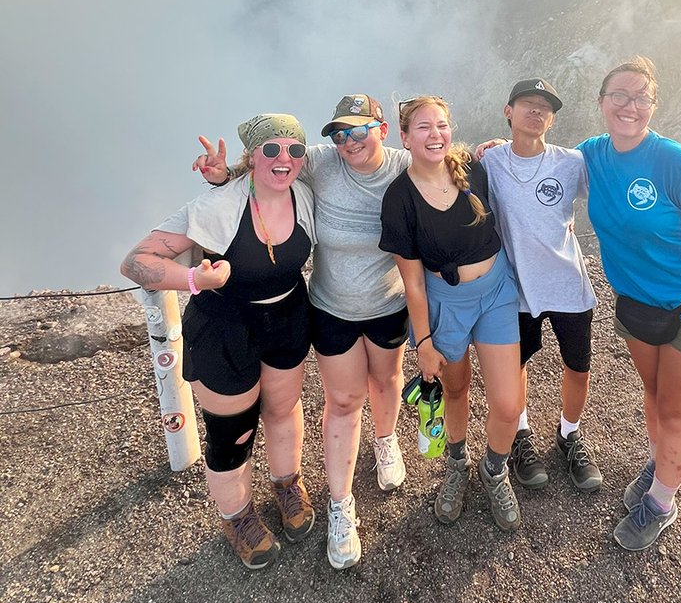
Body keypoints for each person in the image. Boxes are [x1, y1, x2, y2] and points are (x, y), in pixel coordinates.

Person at [194, 94, 410, 571]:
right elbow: (272, 163)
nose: (348, 141)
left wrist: (485, 153)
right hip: (330, 306)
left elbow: (441, 160)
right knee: (344, 401)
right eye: (340, 133)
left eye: (359, 130)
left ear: (383, 129)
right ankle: (340, 505)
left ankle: (386, 440)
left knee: (387, 380)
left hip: (388, 303)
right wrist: (222, 174)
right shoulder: (321, 162)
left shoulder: (403, 165)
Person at [121, 114, 317, 571]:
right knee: (233, 432)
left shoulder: (303, 196)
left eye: (294, 150)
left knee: (284, 408)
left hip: (288, 314)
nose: (283, 159)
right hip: (225, 327)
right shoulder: (217, 208)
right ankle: (238, 517)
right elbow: (136, 262)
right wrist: (194, 278)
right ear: (253, 157)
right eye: (271, 149)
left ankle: (286, 484)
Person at [577, 57, 681, 552]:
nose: (630, 106)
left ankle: (662, 502)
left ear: (654, 105)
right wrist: (491, 148)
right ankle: (660, 462)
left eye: (641, 97)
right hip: (638, 307)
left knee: (674, 410)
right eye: (619, 96)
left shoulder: (678, 164)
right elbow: (538, 163)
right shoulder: (590, 155)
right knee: (652, 392)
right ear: (602, 102)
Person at [379, 96, 525, 532]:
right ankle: (457, 463)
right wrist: (422, 343)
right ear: (404, 138)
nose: (435, 134)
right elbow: (414, 284)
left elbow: (520, 166)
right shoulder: (399, 199)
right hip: (445, 302)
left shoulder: (472, 167)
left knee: (506, 401)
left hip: (496, 291)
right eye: (422, 127)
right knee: (456, 391)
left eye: (441, 125)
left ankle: (494, 470)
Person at [479, 79, 602, 494]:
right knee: (516, 365)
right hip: (516, 288)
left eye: (545, 106)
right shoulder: (490, 162)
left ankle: (569, 435)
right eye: (527, 103)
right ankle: (521, 435)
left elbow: (616, 183)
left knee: (578, 365)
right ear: (507, 111)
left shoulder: (572, 162)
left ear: (552, 117)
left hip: (569, 284)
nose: (536, 111)